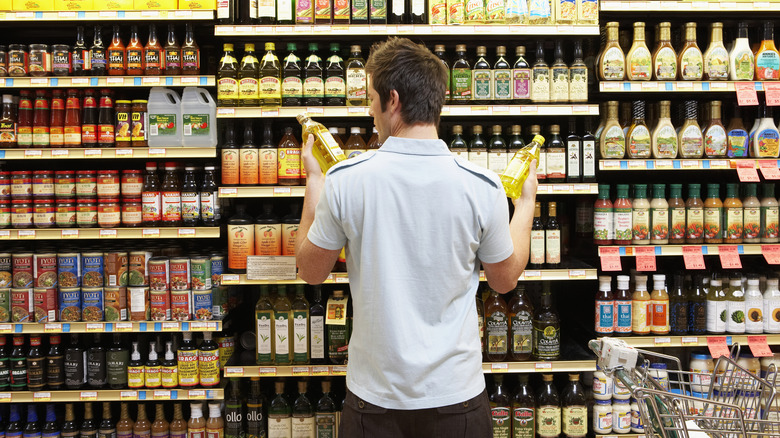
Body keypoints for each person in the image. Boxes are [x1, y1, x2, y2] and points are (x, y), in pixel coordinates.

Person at [295, 37, 537, 437]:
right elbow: (504, 279)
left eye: (371, 99)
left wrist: (315, 181)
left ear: (392, 100)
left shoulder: (346, 181)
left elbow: (310, 270)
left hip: (373, 399)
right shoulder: (482, 186)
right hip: (457, 397)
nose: (370, 111)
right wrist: (526, 203)